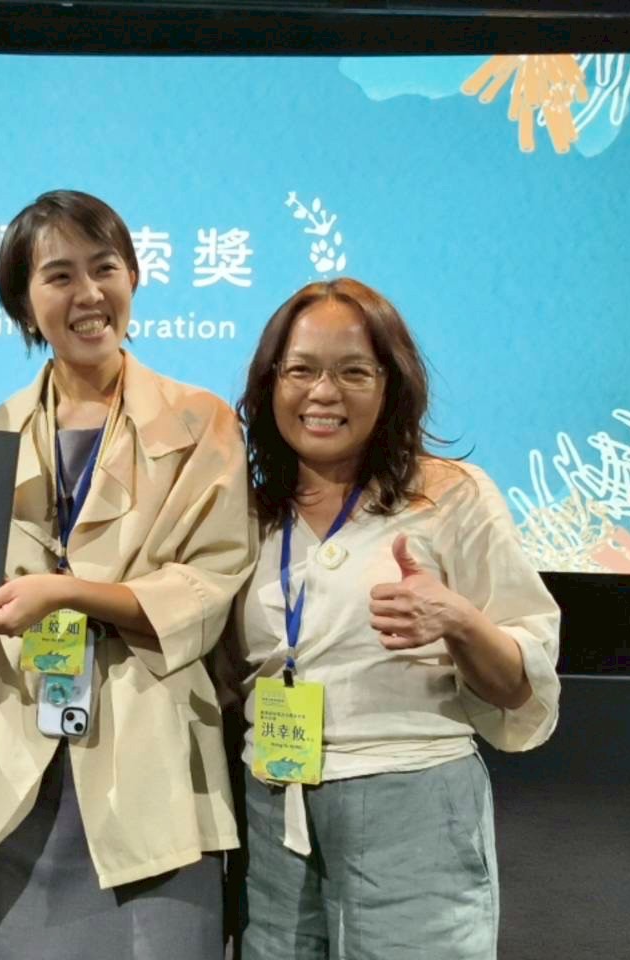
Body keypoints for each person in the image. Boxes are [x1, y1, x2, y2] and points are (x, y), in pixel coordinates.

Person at [0, 189, 254, 959]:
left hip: (151, 767)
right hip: (7, 768)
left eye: (104, 268)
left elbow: (213, 583)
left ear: (134, 276)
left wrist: (67, 593)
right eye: (59, 275)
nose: (88, 294)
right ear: (23, 301)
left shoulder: (199, 421)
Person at [229, 277, 561, 959]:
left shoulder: (449, 496)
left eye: (354, 372)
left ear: (392, 386)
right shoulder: (248, 513)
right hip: (273, 805)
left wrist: (459, 620)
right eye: (301, 370)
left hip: (411, 803)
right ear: (270, 385)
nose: (324, 393)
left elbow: (519, 688)